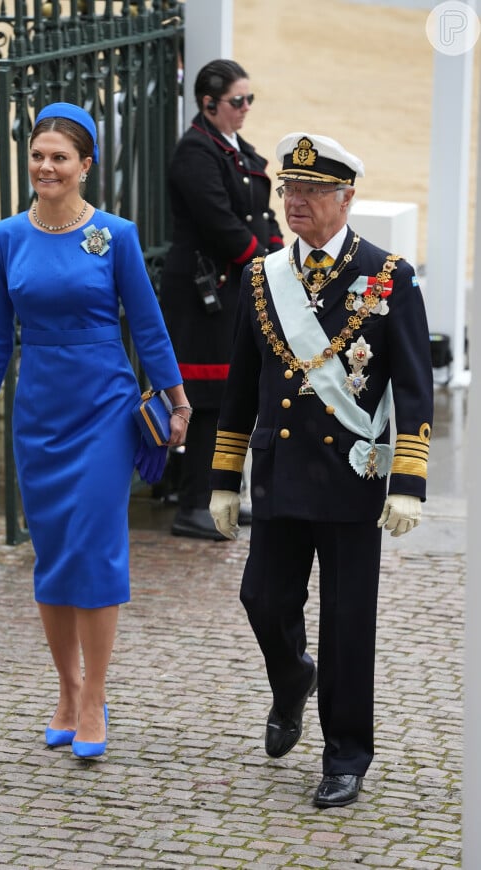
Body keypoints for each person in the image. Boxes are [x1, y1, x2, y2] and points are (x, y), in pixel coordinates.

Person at [209, 133, 433, 808]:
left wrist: (411, 482)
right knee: (263, 600)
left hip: (350, 476)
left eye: (309, 192)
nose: (294, 203)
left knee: (346, 623)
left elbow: (416, 386)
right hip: (280, 472)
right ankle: (290, 679)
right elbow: (242, 384)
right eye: (287, 190)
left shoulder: (388, 276)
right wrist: (223, 478)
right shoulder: (262, 277)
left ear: (346, 198)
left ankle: (345, 755)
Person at [0, 102, 191, 760]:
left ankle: (95, 697)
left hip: (104, 411)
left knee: (96, 547)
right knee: (54, 553)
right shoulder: (6, 237)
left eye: (60, 157)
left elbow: (146, 326)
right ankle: (65, 688)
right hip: (39, 412)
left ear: (85, 165)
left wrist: (176, 401)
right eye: (38, 155)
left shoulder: (113, 235)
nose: (46, 166)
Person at [160, 59, 284, 540]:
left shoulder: (236, 148)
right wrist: (262, 259)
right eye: (237, 101)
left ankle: (224, 496)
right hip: (202, 293)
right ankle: (195, 504)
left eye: (249, 99)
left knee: (234, 396)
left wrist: (277, 252)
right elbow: (221, 224)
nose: (245, 108)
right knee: (206, 401)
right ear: (209, 104)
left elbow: (259, 213)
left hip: (232, 289)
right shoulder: (196, 151)